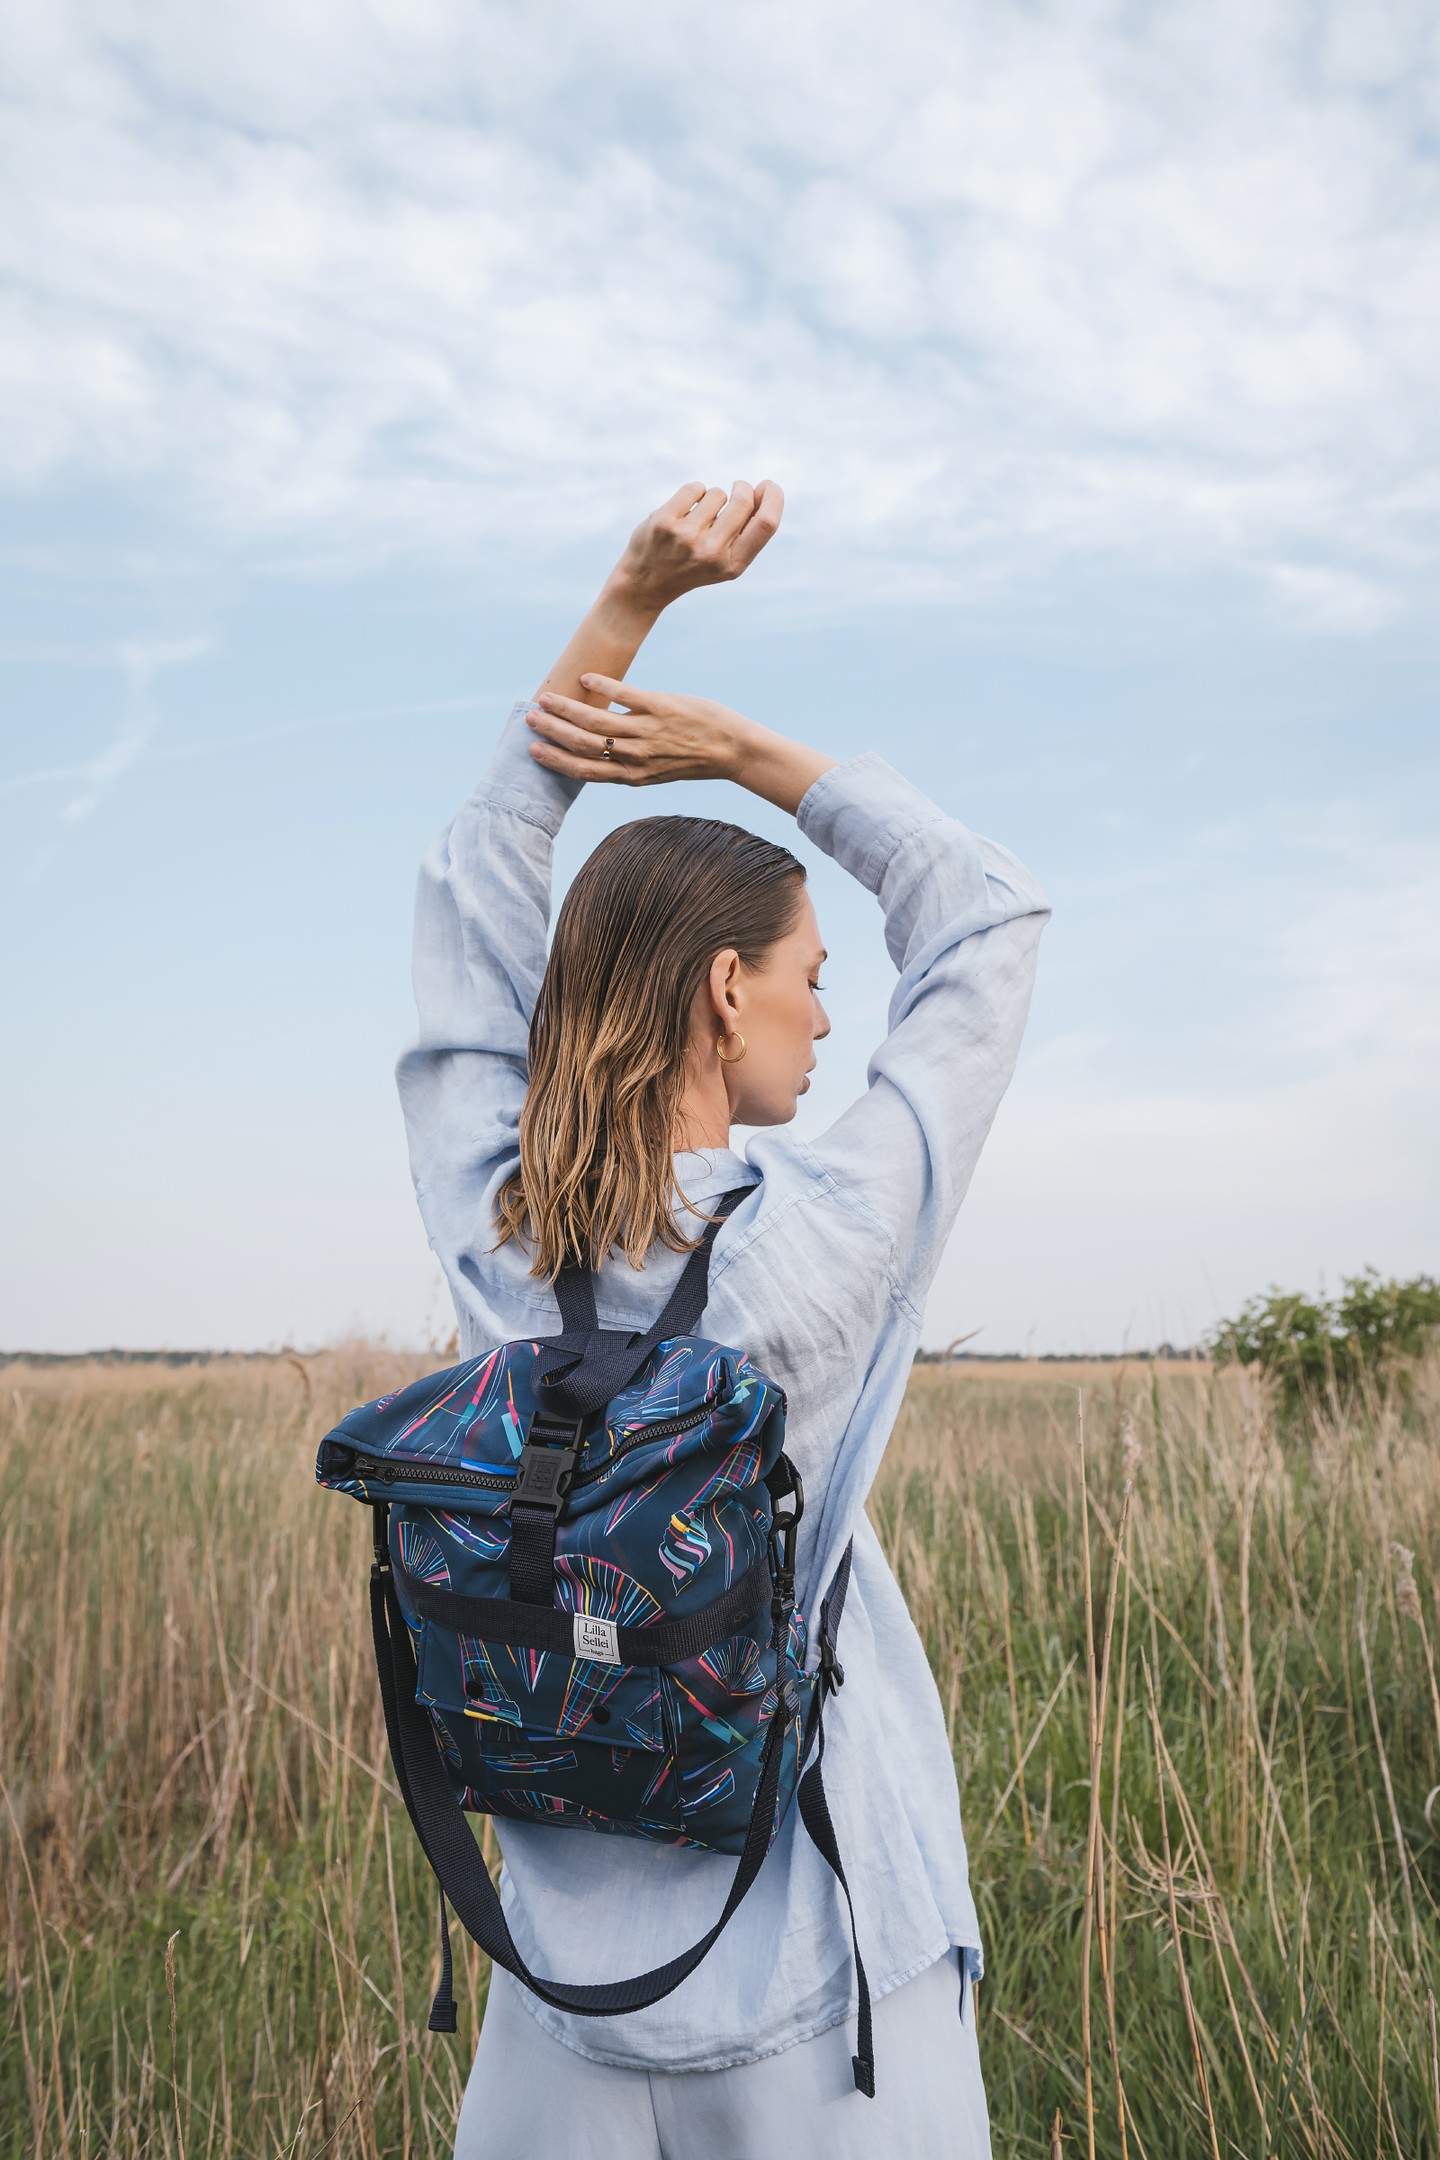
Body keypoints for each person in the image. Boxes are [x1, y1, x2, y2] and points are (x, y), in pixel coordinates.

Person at [395, 481, 1050, 2159]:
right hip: (827, 1968)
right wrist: (744, 749)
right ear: (721, 990)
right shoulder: (833, 1239)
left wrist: (627, 602)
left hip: (557, 1980)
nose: (832, 1015)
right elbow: (982, 913)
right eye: (812, 973)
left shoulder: (501, 1233)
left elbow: (477, 877)